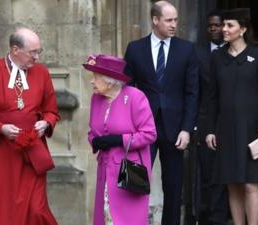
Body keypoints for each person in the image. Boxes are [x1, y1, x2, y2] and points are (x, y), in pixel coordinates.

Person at [0, 27, 60, 225]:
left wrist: (46, 123)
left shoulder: (42, 73)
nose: (36, 57)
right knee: (4, 210)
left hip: (33, 152)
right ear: (15, 50)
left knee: (37, 210)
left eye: (38, 52)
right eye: (32, 52)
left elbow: (51, 111)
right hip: (2, 153)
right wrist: (0, 128)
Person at [123, 1, 199, 224]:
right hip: (142, 129)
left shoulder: (186, 49)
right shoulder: (135, 49)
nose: (174, 24)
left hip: (175, 129)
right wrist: (128, 125)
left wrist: (187, 129)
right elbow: (126, 91)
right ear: (155, 20)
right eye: (169, 20)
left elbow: (192, 93)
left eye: (176, 20)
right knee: (135, 182)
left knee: (174, 186)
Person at [205, 8, 258, 225]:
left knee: (251, 184)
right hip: (225, 129)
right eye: (223, 25)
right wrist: (209, 130)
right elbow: (212, 97)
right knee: (231, 182)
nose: (224, 29)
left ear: (242, 29)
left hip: (253, 129)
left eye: (229, 25)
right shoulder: (216, 57)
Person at [85, 54, 156, 225]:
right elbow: (92, 131)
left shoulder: (135, 97)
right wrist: (94, 141)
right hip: (105, 169)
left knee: (127, 219)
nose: (92, 81)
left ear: (109, 81)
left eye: (95, 77)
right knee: (106, 216)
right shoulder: (97, 99)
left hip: (128, 172)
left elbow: (149, 134)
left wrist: (119, 140)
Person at [194, 10, 228, 225]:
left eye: (217, 25)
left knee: (231, 176)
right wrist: (196, 124)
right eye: (210, 26)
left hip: (231, 122)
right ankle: (212, 219)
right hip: (206, 122)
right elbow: (194, 90)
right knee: (208, 175)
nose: (214, 29)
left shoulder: (235, 53)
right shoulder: (198, 54)